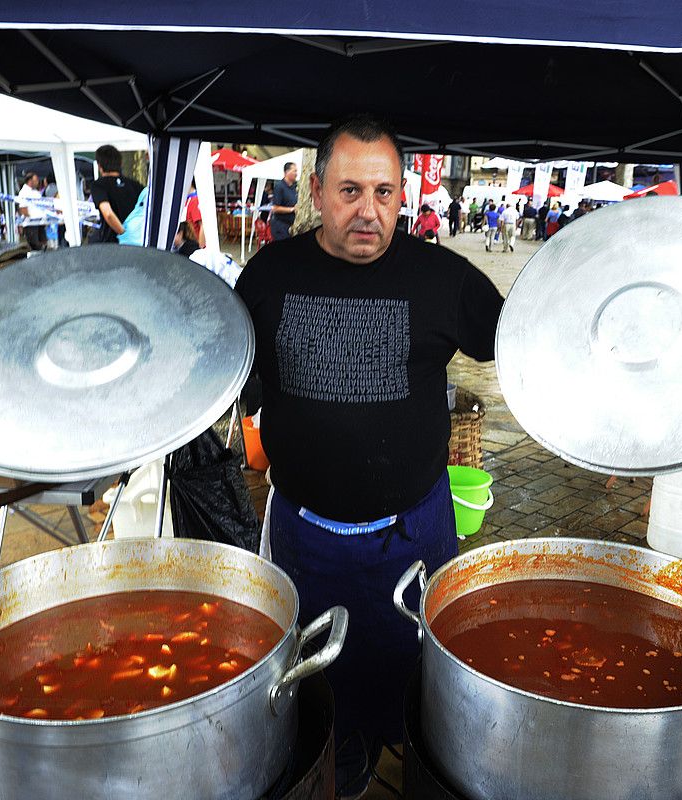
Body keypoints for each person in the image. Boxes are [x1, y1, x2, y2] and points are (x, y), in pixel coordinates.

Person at [233, 114, 503, 800]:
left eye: (384, 193)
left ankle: (418, 763)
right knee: (316, 677)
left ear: (402, 195)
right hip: (304, 533)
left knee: (425, 672)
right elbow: (230, 372)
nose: (367, 211)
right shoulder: (268, 276)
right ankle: (342, 764)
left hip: (414, 532)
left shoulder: (444, 279)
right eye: (350, 190)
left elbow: (528, 341)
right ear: (317, 189)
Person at [89, 145, 143, 244]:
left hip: (112, 244)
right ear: (120, 163)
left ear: (100, 166)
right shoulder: (135, 185)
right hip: (137, 242)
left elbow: (108, 214)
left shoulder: (98, 185)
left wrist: (123, 234)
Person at [17, 171, 46, 250]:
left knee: (43, 243)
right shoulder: (24, 192)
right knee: (35, 245)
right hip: (31, 223)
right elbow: (23, 209)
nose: (37, 182)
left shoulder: (36, 192)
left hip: (40, 222)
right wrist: (29, 219)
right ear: (30, 181)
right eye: (36, 180)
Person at [270, 161, 299, 241]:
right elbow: (275, 208)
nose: (296, 173)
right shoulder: (279, 187)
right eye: (294, 171)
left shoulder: (295, 187)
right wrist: (292, 209)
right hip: (280, 226)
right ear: (287, 172)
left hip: (291, 226)